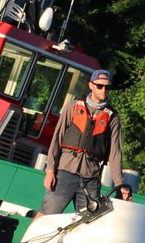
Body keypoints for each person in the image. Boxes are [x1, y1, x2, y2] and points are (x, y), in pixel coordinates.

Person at [40, 68, 130, 215]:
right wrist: (50, 170)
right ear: (91, 85)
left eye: (107, 87)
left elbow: (115, 153)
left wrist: (120, 185)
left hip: (91, 179)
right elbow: (56, 139)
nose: (104, 90)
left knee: (91, 222)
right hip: (64, 174)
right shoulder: (73, 107)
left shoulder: (112, 117)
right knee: (45, 216)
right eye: (99, 86)